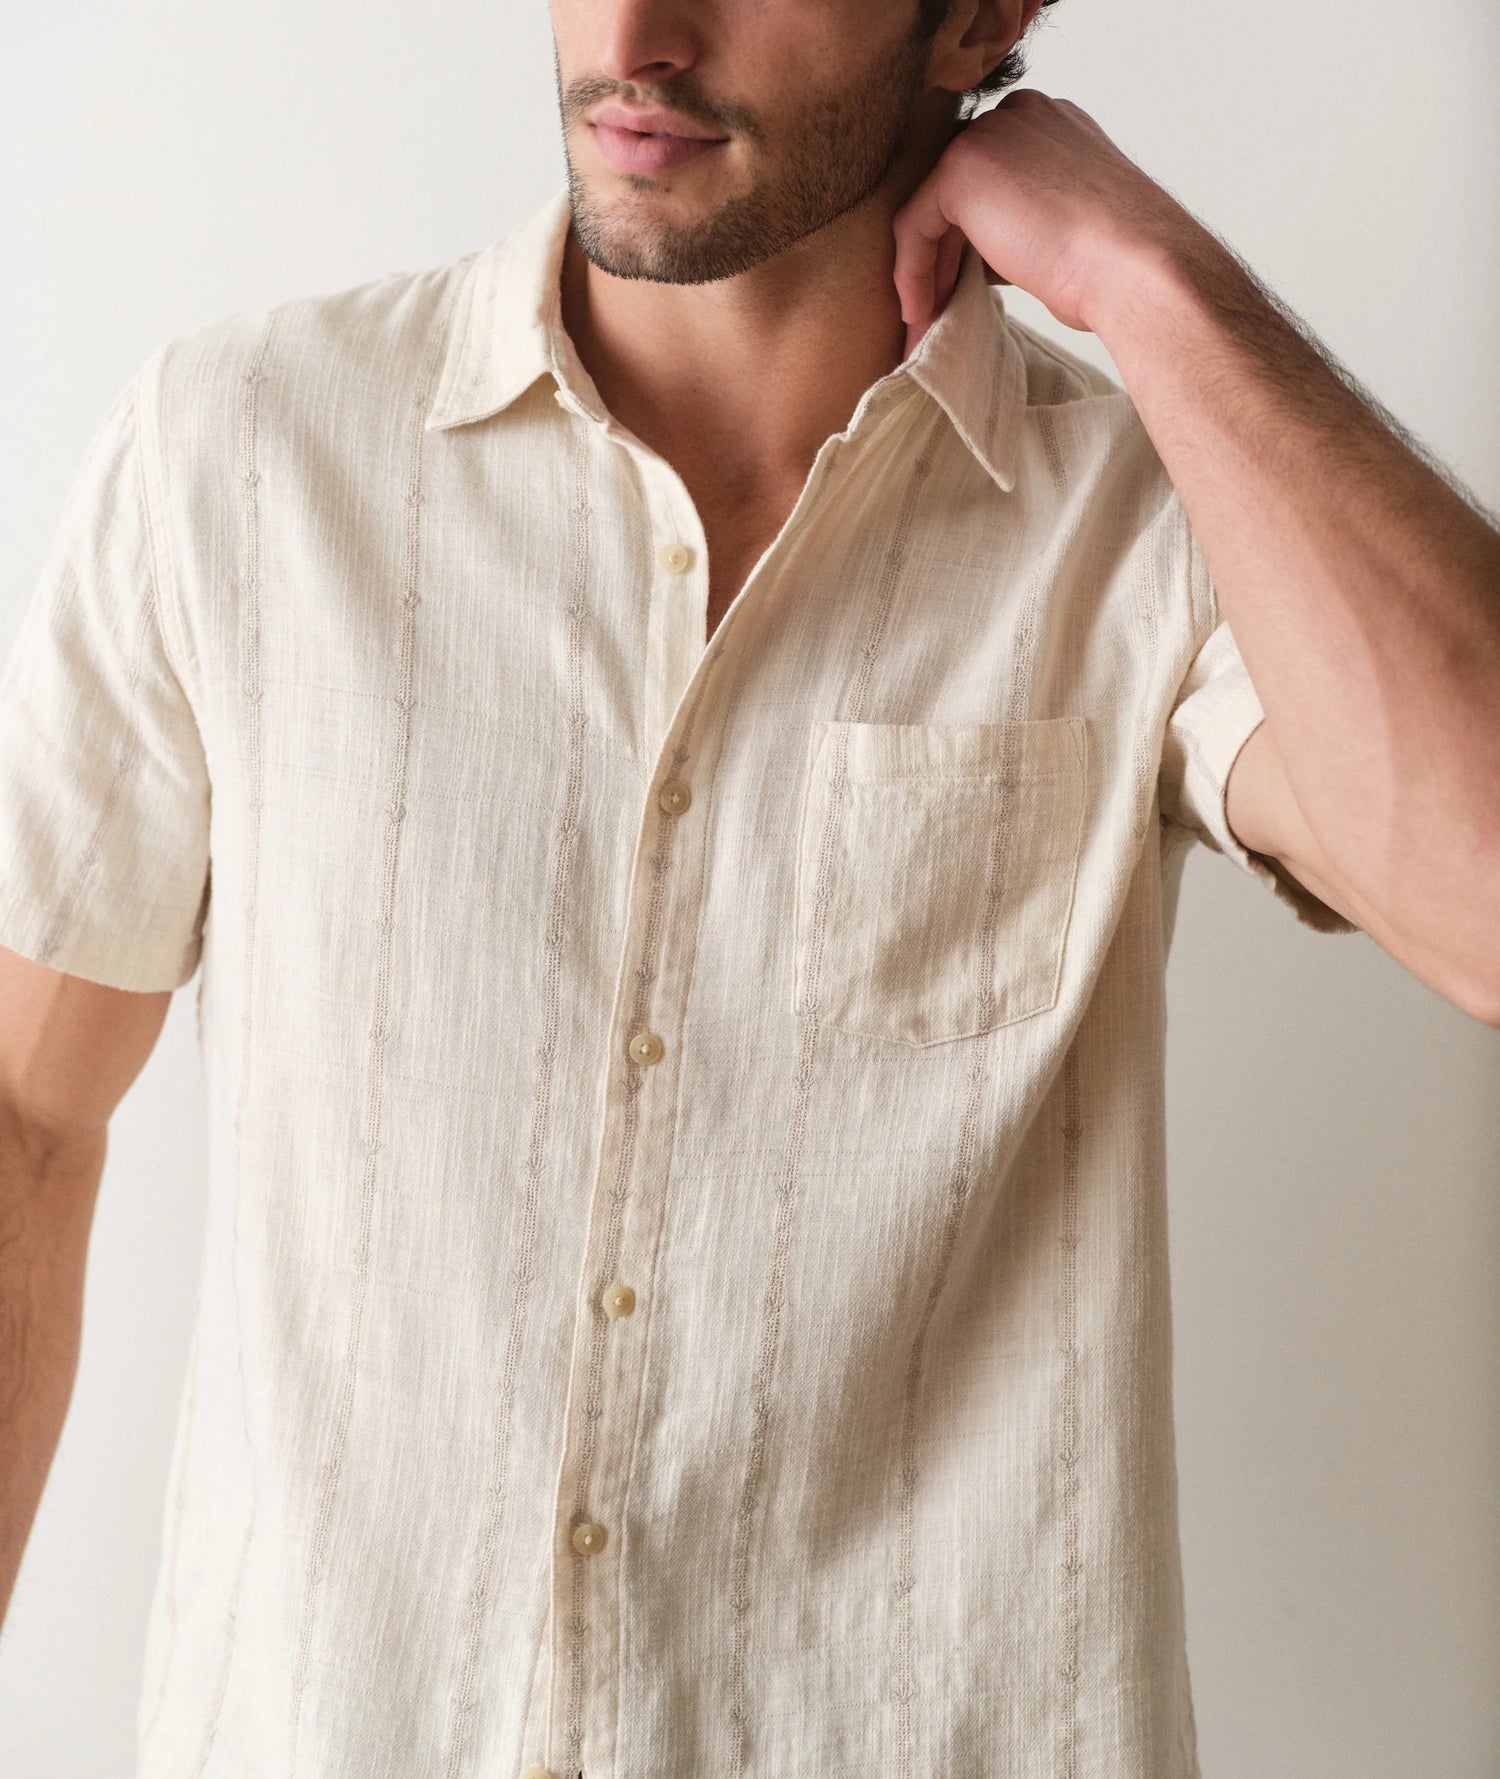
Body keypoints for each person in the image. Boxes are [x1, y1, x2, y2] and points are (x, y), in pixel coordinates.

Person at [1, 0, 1496, 1774]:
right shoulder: (240, 451)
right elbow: (24, 1119)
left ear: (979, 18)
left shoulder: (1150, 524)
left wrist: (1147, 275)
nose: (634, 38)